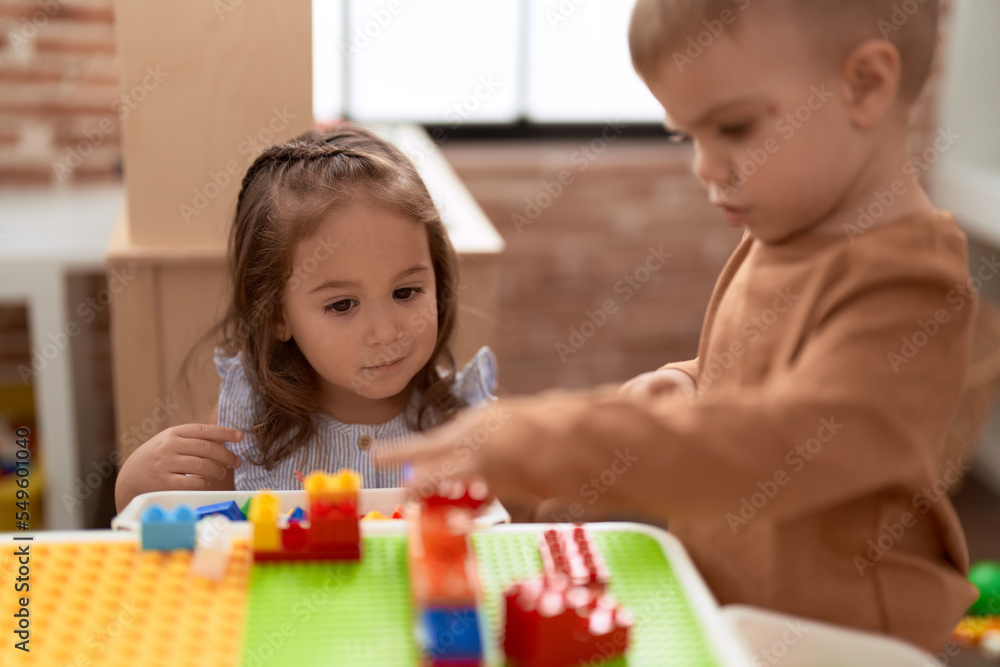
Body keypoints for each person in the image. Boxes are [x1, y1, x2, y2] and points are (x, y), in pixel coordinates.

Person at [381, 0, 977, 653]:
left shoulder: (911, 281)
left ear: (864, 84)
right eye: (687, 135)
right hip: (738, 604)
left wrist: (551, 438)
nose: (704, 166)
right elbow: (758, 372)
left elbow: (791, 439)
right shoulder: (783, 232)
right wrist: (686, 383)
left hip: (845, 638)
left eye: (735, 126)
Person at [115, 125, 496, 510]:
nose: (385, 332)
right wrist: (135, 488)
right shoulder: (250, 422)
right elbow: (194, 526)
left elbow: (519, 525)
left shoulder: (463, 422)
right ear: (277, 315)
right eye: (343, 305)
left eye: (406, 292)